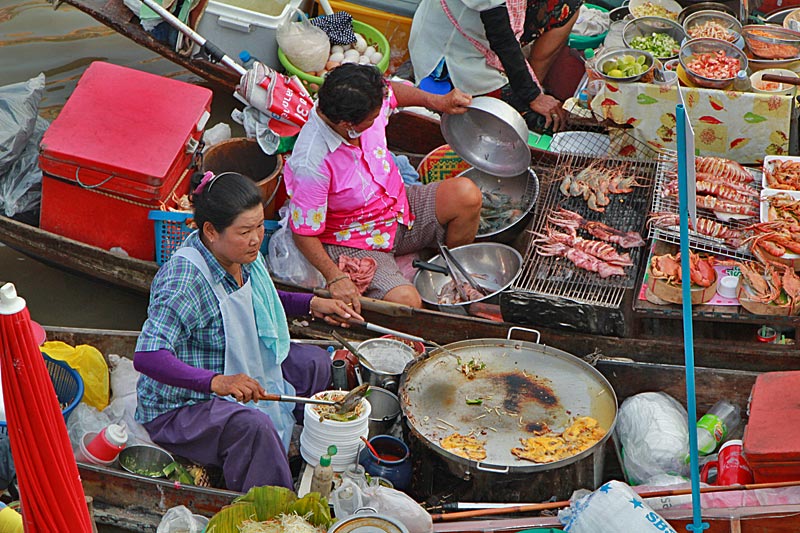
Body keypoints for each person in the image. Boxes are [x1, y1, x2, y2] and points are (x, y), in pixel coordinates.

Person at [133, 171, 362, 492]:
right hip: (183, 405)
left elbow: (262, 297)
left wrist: (312, 304)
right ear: (211, 231)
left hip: (238, 360)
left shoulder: (240, 253)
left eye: (259, 226)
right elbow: (147, 356)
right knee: (254, 428)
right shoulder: (184, 281)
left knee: (315, 364)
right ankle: (274, 502)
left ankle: (309, 452)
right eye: (245, 231)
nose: (256, 238)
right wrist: (218, 382)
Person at [284, 64, 483, 311]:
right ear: (349, 125)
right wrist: (335, 276)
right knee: (407, 303)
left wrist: (438, 102)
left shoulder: (366, 101)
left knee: (467, 195)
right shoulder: (312, 162)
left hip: (399, 208)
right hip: (355, 238)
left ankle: (449, 277)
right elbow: (303, 232)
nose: (379, 117)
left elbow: (393, 93)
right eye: (371, 120)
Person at [409, 0, 583, 133]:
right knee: (540, 122)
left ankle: (531, 80)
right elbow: (501, 37)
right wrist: (533, 96)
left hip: (491, 38)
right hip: (456, 57)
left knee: (568, 6)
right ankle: (526, 93)